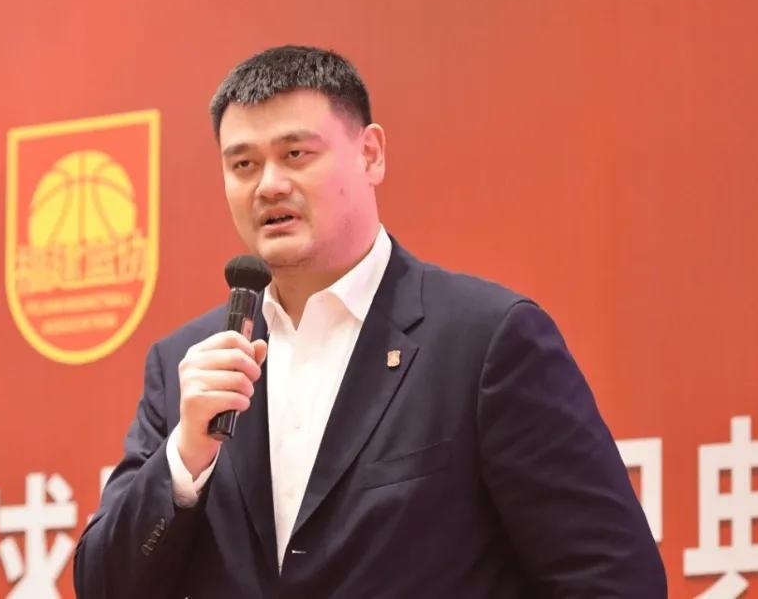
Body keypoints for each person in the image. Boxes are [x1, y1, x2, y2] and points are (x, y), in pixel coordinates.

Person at [74, 45, 666, 598]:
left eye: (295, 154)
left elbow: (612, 578)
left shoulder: (485, 341)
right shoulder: (193, 366)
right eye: (244, 164)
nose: (269, 185)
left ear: (370, 154)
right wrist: (185, 458)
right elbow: (103, 585)